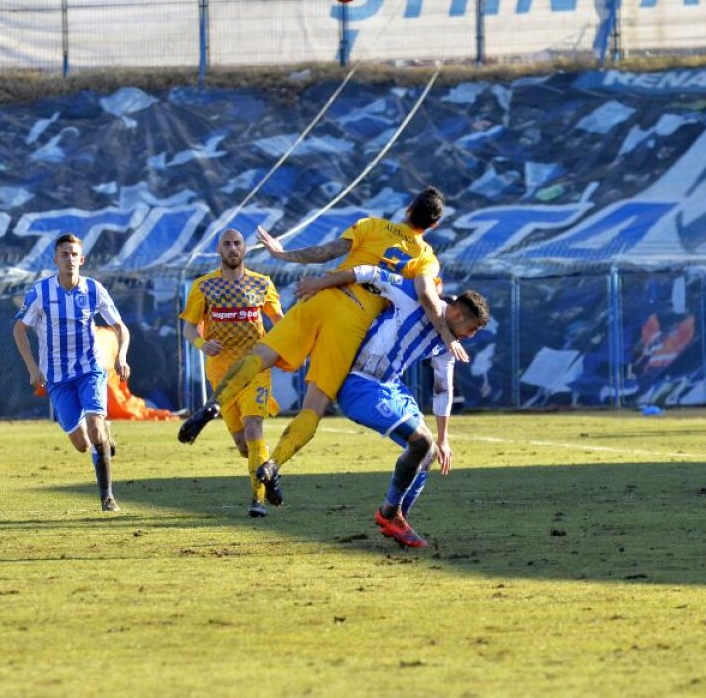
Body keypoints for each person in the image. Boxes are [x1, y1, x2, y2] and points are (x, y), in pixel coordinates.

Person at [178, 186, 468, 506]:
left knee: (259, 355)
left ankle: (213, 405)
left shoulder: (371, 225)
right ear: (434, 226)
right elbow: (427, 296)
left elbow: (327, 252)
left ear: (408, 209)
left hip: (321, 296)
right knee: (314, 406)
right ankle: (273, 465)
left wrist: (282, 254)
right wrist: (447, 335)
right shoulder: (426, 258)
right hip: (351, 324)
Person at [294, 265, 490, 547]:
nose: (470, 336)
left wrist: (445, 439)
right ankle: (389, 514)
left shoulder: (449, 344)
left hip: (389, 385)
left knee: (430, 451)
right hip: (359, 382)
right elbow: (370, 272)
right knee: (421, 442)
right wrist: (320, 283)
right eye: (471, 329)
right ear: (457, 314)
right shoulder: (415, 297)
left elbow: (442, 387)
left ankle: (396, 518)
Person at [12, 233, 130, 512]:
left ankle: (107, 497)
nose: (69, 259)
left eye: (74, 254)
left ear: (82, 259)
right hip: (56, 377)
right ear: (56, 260)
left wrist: (121, 357)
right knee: (81, 443)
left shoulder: (94, 290)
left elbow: (120, 327)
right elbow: (19, 329)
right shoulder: (41, 292)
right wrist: (32, 368)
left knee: (94, 426)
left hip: (90, 369)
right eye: (64, 254)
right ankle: (102, 436)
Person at [179, 229, 283, 518]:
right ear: (218, 251)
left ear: (245, 249)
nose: (232, 248)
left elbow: (280, 321)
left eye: (237, 243)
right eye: (227, 244)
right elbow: (188, 327)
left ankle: (258, 500)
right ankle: (269, 473)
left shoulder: (262, 284)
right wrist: (202, 343)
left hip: (255, 368)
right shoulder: (203, 286)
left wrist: (280, 349)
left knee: (253, 427)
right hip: (222, 374)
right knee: (242, 444)